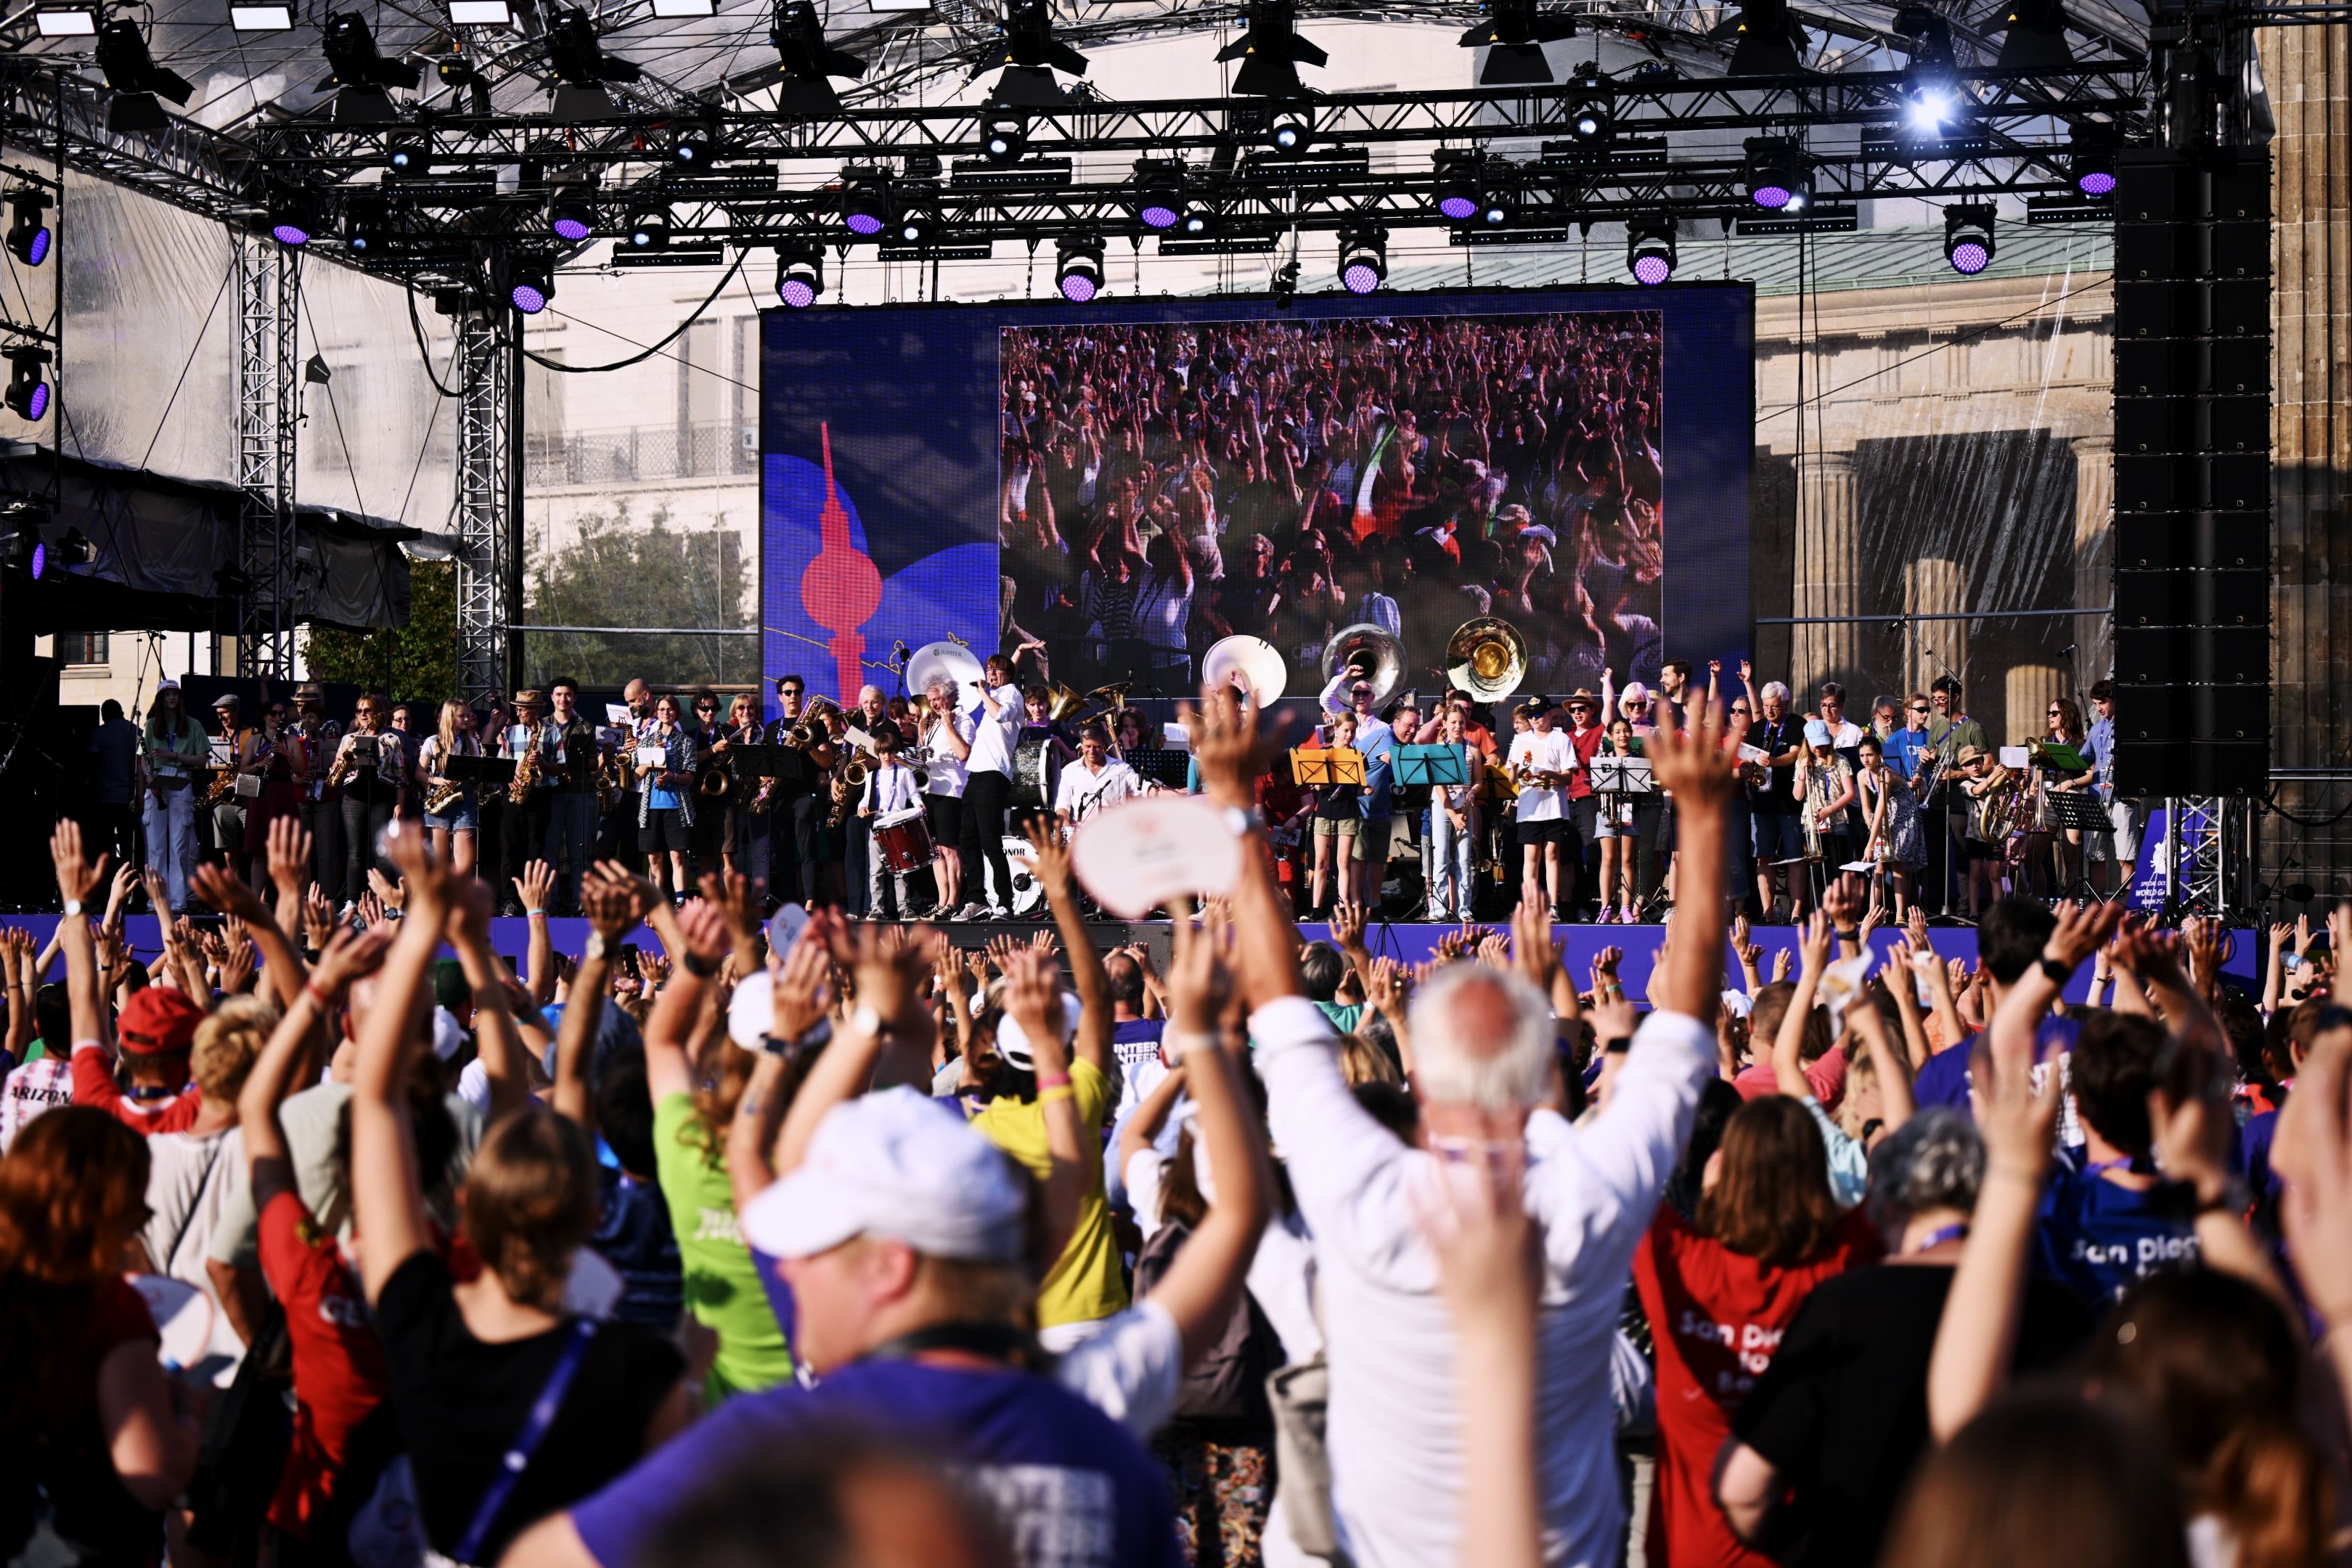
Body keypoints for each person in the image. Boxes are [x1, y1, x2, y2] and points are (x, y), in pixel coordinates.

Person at [505, 902, 1276, 1568]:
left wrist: (856, 1020)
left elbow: (540, 1558)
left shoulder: (783, 1443)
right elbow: (1235, 1217)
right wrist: (1199, 1037)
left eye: (815, 1249)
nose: (786, 1269)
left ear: (891, 1267)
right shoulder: (1102, 1427)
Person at [1217, 675, 1744, 1564]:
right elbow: (1688, 1022)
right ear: (1540, 1069)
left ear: (1420, 1074)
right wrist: (1699, 814)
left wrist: (1234, 800)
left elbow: (1278, 1005)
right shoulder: (1585, 1190)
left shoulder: (1361, 1186)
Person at [349, 832, 693, 1564]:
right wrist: (594, 946)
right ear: (591, 1214)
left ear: (469, 1209)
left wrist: (428, 924)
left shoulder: (416, 1318)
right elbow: (567, 1083)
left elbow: (376, 1104)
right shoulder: (639, 1368)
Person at [1715, 1111, 2093, 1567]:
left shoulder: (1842, 1305)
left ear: (1890, 1208)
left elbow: (1743, 1487)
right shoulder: (2060, 1307)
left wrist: (1799, 1543)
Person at [1632, 1095, 1876, 1568]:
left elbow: (1631, 1171)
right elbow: (1896, 1170)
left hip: (1687, 1553)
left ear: (1727, 1168)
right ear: (1815, 1175)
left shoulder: (1681, 1265)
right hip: (1797, 1550)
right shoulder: (1837, 1270)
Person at [0, 1106, 201, 1565]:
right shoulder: (108, 1308)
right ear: (109, 1210)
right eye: (136, 1213)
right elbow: (154, 1474)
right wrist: (189, 1415)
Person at [955, 655, 1024, 921]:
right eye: (989, 670)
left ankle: (1005, 903)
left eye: (997, 670)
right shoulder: (996, 694)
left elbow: (1000, 714)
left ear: (1008, 674)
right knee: (967, 839)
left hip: (994, 776)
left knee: (990, 841)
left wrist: (984, 691)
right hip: (976, 774)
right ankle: (976, 899)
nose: (991, 674)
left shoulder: (1011, 694)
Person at [329, 694, 405, 908]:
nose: (362, 714)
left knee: (382, 852)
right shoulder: (348, 739)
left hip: (383, 797)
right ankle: (352, 901)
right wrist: (342, 758)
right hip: (354, 797)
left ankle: (387, 901)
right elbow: (335, 772)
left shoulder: (392, 739)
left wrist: (399, 804)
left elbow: (401, 776)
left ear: (378, 713)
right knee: (355, 852)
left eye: (367, 710)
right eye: (359, 711)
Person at [141, 678, 208, 915]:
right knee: (156, 847)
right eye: (167, 695)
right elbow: (143, 758)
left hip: (181, 781)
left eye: (175, 694)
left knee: (179, 846)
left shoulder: (193, 725)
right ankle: (156, 900)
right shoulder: (151, 725)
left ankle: (178, 901)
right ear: (160, 700)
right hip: (157, 783)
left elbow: (202, 760)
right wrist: (149, 779)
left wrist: (174, 755)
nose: (171, 698)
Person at [542, 676, 604, 914]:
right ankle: (551, 903)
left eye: (568, 695)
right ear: (552, 698)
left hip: (579, 792)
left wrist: (590, 759)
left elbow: (593, 764)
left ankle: (581, 904)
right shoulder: (542, 725)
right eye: (558, 694)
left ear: (575, 698)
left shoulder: (586, 727)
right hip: (551, 794)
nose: (563, 699)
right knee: (550, 852)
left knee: (581, 852)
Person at [1507, 697, 1571, 920]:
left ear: (1549, 714)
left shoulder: (1560, 738)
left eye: (1539, 715)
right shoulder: (1521, 740)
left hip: (1553, 805)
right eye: (1531, 716)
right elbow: (1512, 780)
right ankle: (1531, 904)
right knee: (1531, 855)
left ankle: (1553, 905)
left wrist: (1552, 775)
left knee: (1552, 853)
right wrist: (1514, 768)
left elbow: (1568, 777)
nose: (1535, 719)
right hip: (1529, 807)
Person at [633, 694, 700, 905]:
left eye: (670, 709)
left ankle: (680, 901)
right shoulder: (646, 742)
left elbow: (690, 777)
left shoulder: (686, 742)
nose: (665, 713)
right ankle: (656, 903)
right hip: (651, 806)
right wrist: (651, 757)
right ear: (656, 713)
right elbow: (636, 775)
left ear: (677, 713)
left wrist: (672, 776)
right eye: (661, 709)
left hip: (676, 806)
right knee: (654, 857)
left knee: (677, 856)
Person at [237, 696, 306, 891]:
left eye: (281, 714)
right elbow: (243, 770)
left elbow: (301, 770)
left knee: (287, 849)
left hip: (283, 795)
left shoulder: (291, 741)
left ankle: (287, 898)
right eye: (273, 713)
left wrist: (286, 753)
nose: (277, 717)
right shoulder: (255, 740)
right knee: (259, 851)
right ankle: (257, 898)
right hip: (261, 795)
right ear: (265, 716)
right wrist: (260, 764)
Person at [918, 678, 973, 918]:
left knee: (950, 850)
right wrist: (921, 735)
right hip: (931, 791)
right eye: (930, 700)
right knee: (935, 852)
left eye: (937, 699)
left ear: (950, 697)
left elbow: (964, 753)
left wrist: (949, 725)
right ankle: (942, 902)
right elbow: (927, 756)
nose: (933, 704)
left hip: (951, 793)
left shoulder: (963, 720)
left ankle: (953, 901)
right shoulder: (933, 723)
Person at [859, 730, 928, 921]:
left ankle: (904, 909)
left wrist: (919, 805)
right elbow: (865, 799)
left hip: (898, 827)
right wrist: (862, 808)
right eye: (883, 753)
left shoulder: (905, 773)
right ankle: (876, 908)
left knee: (901, 870)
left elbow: (914, 795)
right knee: (876, 871)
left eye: (890, 752)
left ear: (895, 752)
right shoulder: (872, 776)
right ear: (878, 754)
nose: (887, 757)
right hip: (877, 827)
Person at [2083, 680, 2143, 898]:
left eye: (2102, 703)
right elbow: (2083, 759)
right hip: (2097, 796)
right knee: (2095, 855)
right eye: (2095, 704)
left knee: (2125, 855)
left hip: (2122, 797)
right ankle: (2097, 906)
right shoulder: (2096, 729)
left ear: (2115, 701)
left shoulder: (2130, 725)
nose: (2098, 708)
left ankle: (2127, 907)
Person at [1858, 732, 1926, 921]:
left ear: (1879, 755)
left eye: (1870, 755)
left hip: (1904, 817)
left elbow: (1880, 807)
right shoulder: (1862, 775)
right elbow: (1866, 808)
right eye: (1862, 756)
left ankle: (1900, 915)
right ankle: (1872, 914)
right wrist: (1870, 824)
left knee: (1897, 864)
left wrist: (1870, 845)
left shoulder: (1886, 775)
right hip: (1885, 817)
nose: (1866, 760)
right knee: (1878, 866)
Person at [1424, 704, 1479, 921]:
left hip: (1465, 806)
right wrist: (1453, 814)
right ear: (1445, 724)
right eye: (1453, 722)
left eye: (1462, 722)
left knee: (1464, 859)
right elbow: (1439, 786)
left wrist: (1472, 793)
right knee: (1441, 857)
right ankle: (1438, 910)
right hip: (1443, 805)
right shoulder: (1439, 749)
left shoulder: (1473, 748)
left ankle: (1464, 910)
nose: (1458, 726)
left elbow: (1478, 781)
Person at [1308, 710, 1365, 915]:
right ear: (1336, 729)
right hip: (1325, 811)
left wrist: (1365, 789)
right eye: (1346, 730)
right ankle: (1316, 907)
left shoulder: (1357, 756)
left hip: (1348, 812)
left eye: (1353, 731)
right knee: (1321, 861)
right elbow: (1317, 787)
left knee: (1343, 861)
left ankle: (1343, 906)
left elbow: (1359, 787)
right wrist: (1332, 778)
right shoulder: (1324, 753)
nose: (1349, 735)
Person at [420, 696, 483, 881]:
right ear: (450, 717)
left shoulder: (471, 742)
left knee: (463, 864)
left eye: (468, 715)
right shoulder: (432, 741)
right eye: (462, 716)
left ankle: (461, 896)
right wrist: (439, 781)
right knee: (439, 861)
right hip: (440, 801)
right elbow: (419, 773)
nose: (467, 719)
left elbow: (476, 773)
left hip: (464, 800)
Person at [87, 698, 142, 873]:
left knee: (104, 845)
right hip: (131, 798)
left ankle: (106, 879)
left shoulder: (99, 733)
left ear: (104, 715)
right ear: (122, 712)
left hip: (106, 797)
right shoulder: (137, 732)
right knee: (129, 845)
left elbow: (93, 764)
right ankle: (129, 878)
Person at [1053, 722, 1140, 828]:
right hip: (1082, 833)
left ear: (1103, 746)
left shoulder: (1122, 768)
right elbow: (1062, 807)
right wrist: (1069, 832)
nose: (1092, 751)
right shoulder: (1069, 771)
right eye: (1088, 746)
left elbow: (1143, 791)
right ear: (1081, 746)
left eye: (1097, 747)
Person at [207, 692, 251, 871]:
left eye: (224, 712)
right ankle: (234, 887)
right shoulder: (214, 736)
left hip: (247, 793)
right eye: (218, 714)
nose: (221, 717)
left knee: (256, 849)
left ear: (236, 710)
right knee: (229, 853)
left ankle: (259, 889)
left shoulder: (252, 734)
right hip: (224, 797)